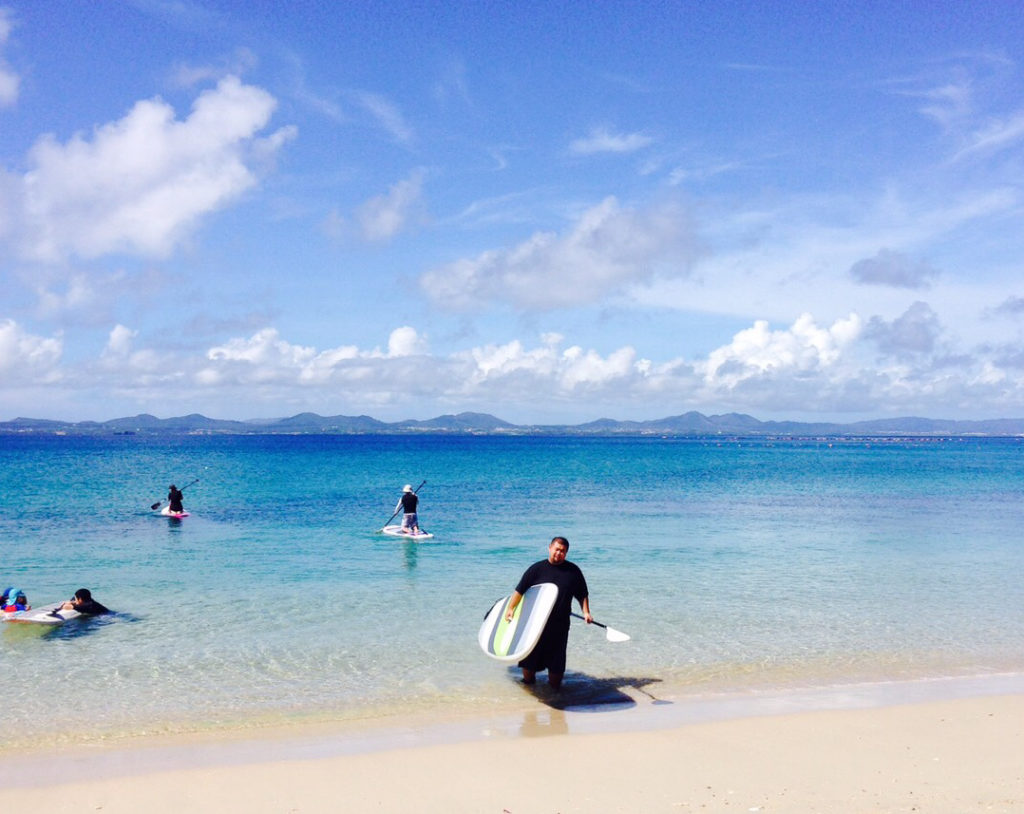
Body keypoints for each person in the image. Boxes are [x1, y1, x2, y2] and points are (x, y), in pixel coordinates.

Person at [504, 536, 592, 691]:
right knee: (530, 662)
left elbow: (582, 593)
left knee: (556, 666)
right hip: (535, 624)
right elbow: (520, 590)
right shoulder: (536, 569)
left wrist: (586, 612)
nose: (559, 553)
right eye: (556, 549)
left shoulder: (573, 571)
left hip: (560, 625)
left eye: (562, 551)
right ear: (549, 548)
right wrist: (511, 608)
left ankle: (555, 694)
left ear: (566, 553)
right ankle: (528, 687)